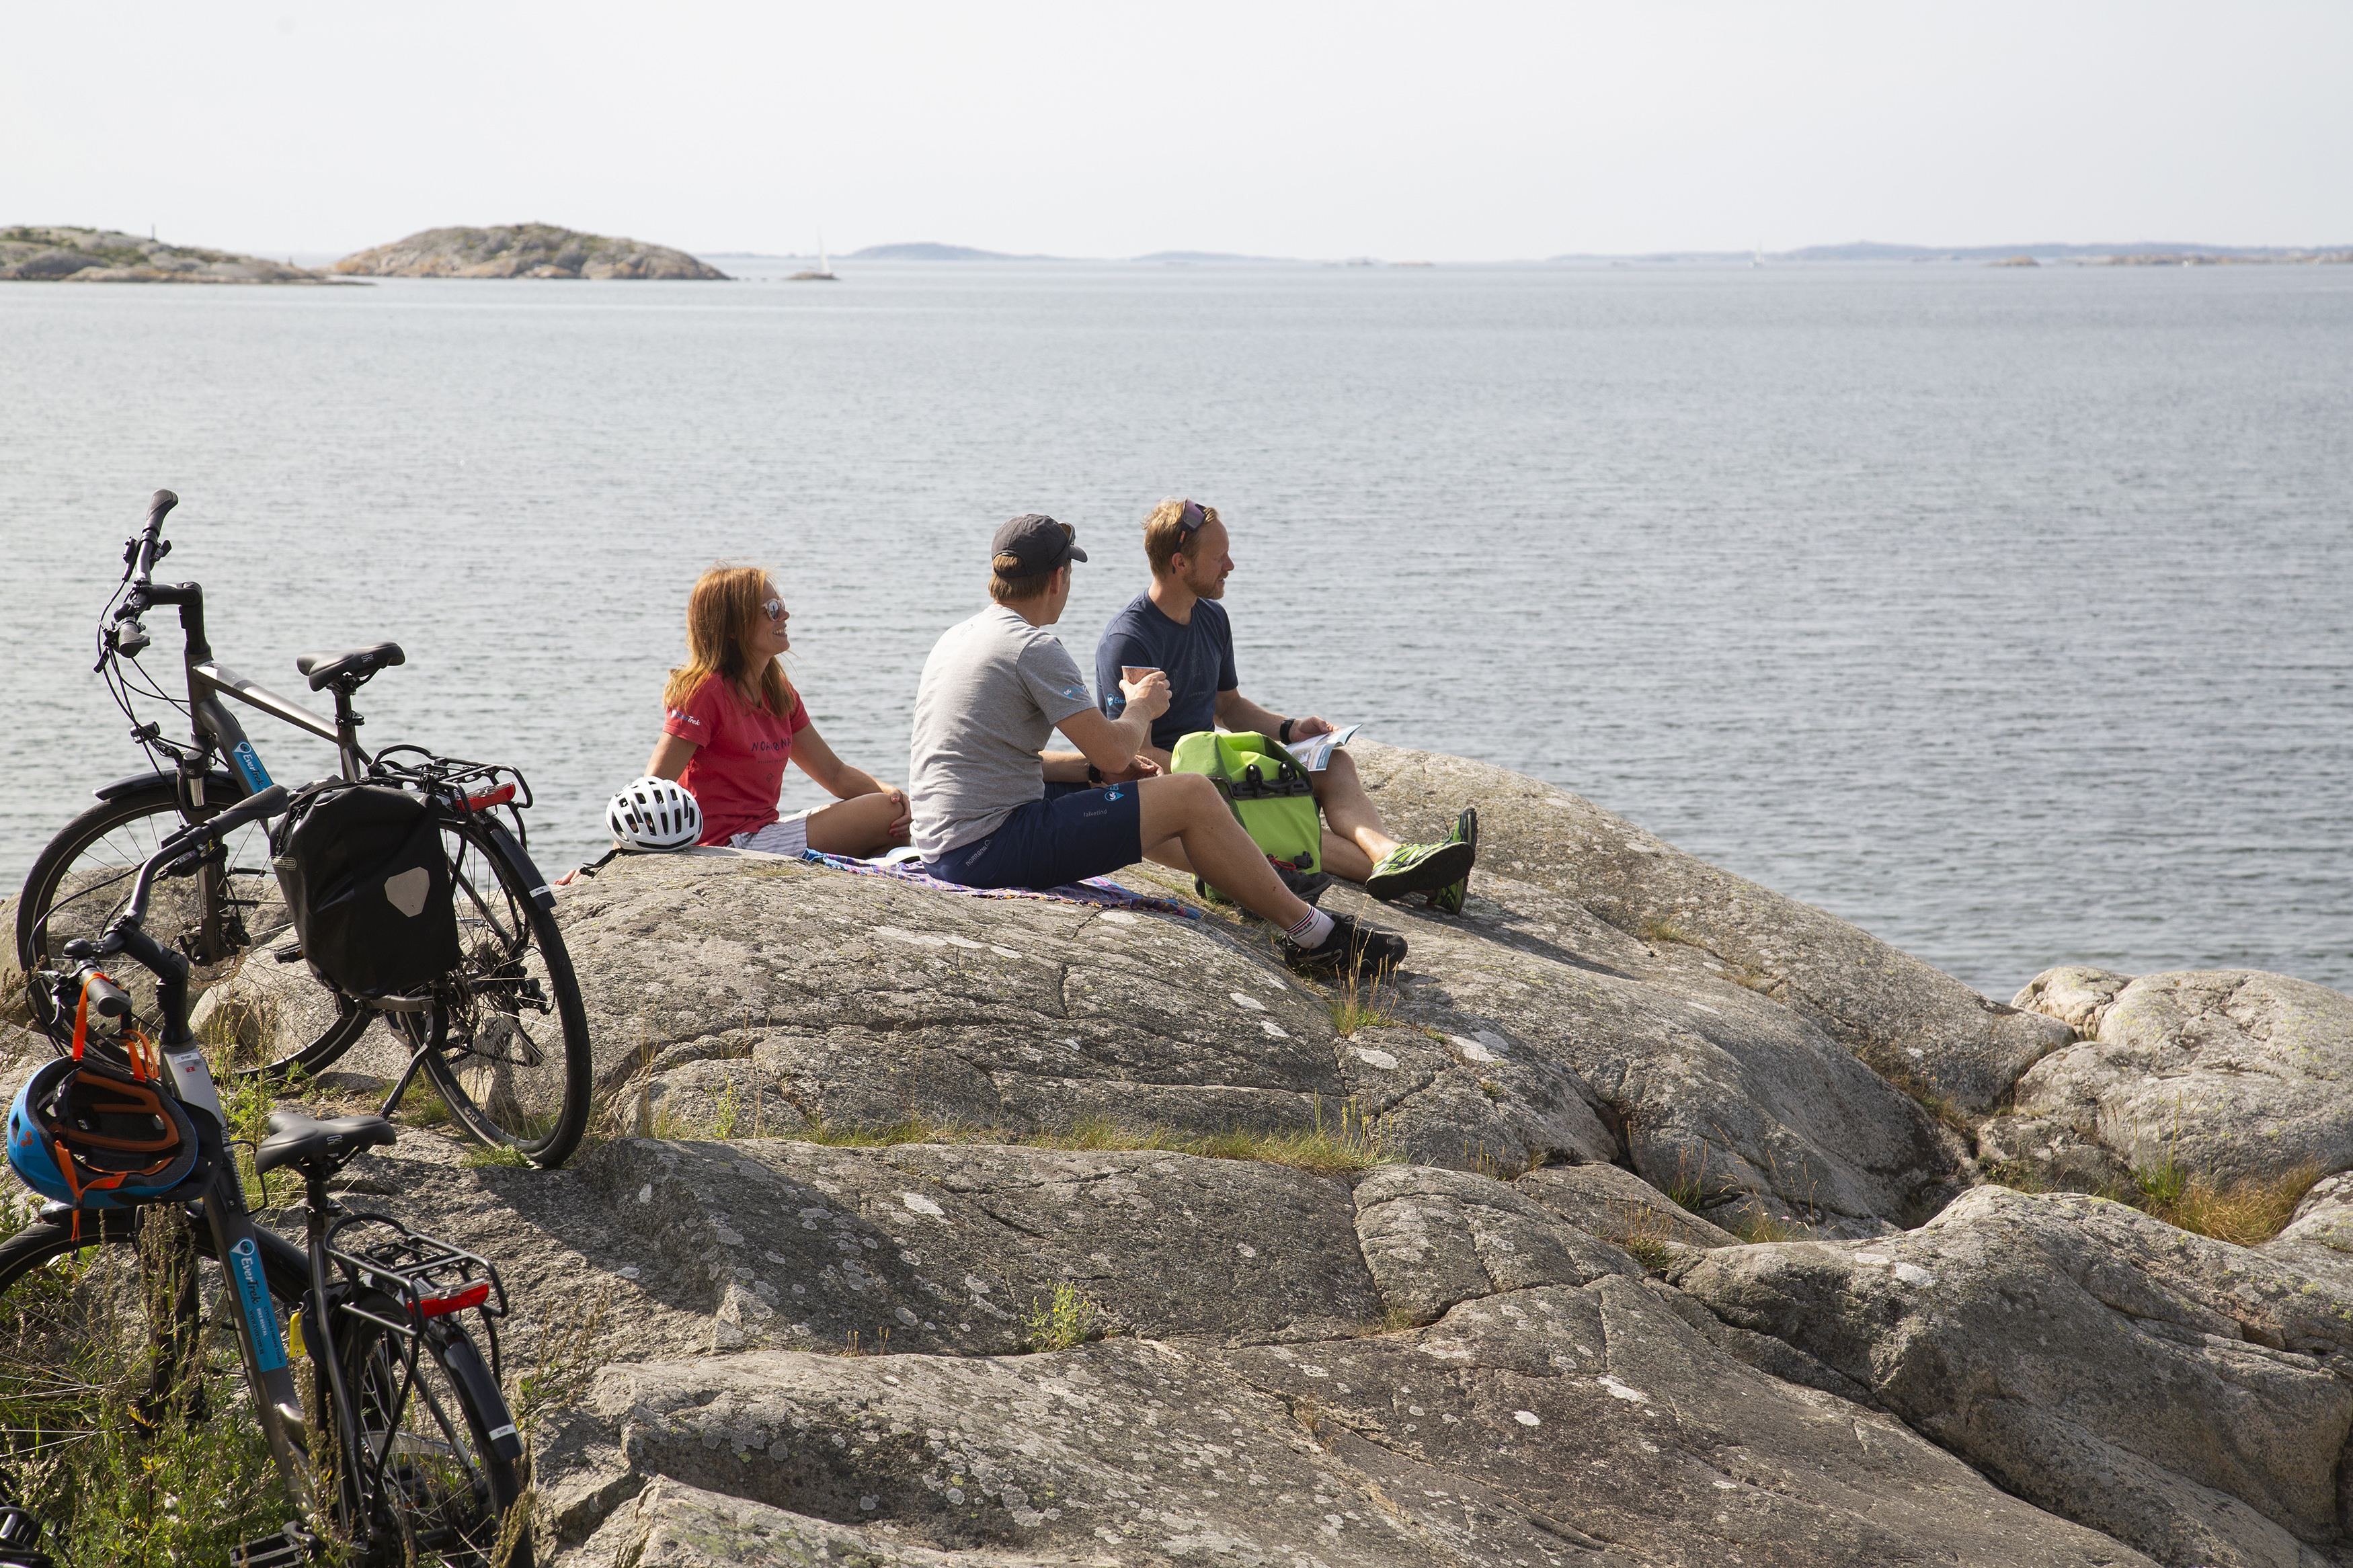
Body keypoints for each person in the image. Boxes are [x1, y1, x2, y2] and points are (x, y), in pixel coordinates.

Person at [908, 513, 1408, 975]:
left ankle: (1254, 877)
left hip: (944, 843)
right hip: (989, 848)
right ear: (1059, 578)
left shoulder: (959, 636)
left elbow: (1006, 757)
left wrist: (1092, 773)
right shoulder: (1033, 648)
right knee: (1191, 794)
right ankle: (1314, 935)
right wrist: (1141, 705)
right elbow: (1115, 750)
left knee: (1147, 789)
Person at [1094, 497, 1478, 912]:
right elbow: (1135, 755)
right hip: (1171, 791)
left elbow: (1230, 706)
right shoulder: (1130, 640)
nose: (1231, 566)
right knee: (1278, 810)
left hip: (1217, 765)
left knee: (1335, 764)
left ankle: (1389, 854)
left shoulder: (1212, 618)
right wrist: (1228, 779)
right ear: (1180, 564)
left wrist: (1290, 729)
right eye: (1220, 557)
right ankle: (1434, 884)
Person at [645, 563, 911, 857]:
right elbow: (652, 789)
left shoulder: (778, 692)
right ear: (733, 627)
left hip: (764, 833)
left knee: (894, 814)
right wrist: (615, 860)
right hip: (724, 846)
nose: (784, 615)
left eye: (781, 604)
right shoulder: (705, 691)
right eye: (771, 609)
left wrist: (891, 792)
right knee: (886, 815)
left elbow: (835, 774)